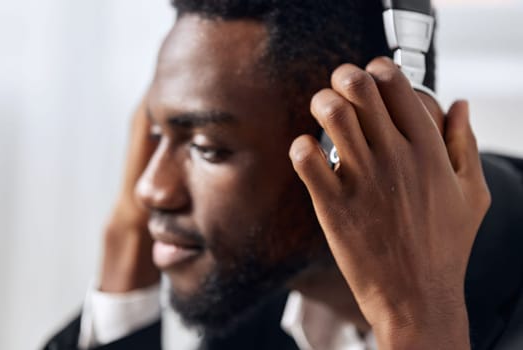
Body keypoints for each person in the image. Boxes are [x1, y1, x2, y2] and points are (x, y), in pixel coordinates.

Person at [44, 1, 523, 349]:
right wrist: (126, 249)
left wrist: (421, 320)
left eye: (206, 148)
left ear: (367, 143)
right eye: (153, 132)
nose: (149, 189)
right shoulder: (256, 308)